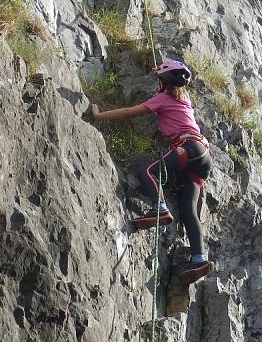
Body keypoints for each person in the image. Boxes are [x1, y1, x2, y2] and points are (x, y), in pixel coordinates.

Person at [91, 59, 214, 284]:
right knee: (189, 210)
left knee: (148, 171)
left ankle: (160, 209)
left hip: (187, 147)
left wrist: (99, 115)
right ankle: (198, 258)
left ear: (163, 82)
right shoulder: (184, 100)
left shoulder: (164, 99)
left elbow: (130, 112)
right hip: (203, 156)